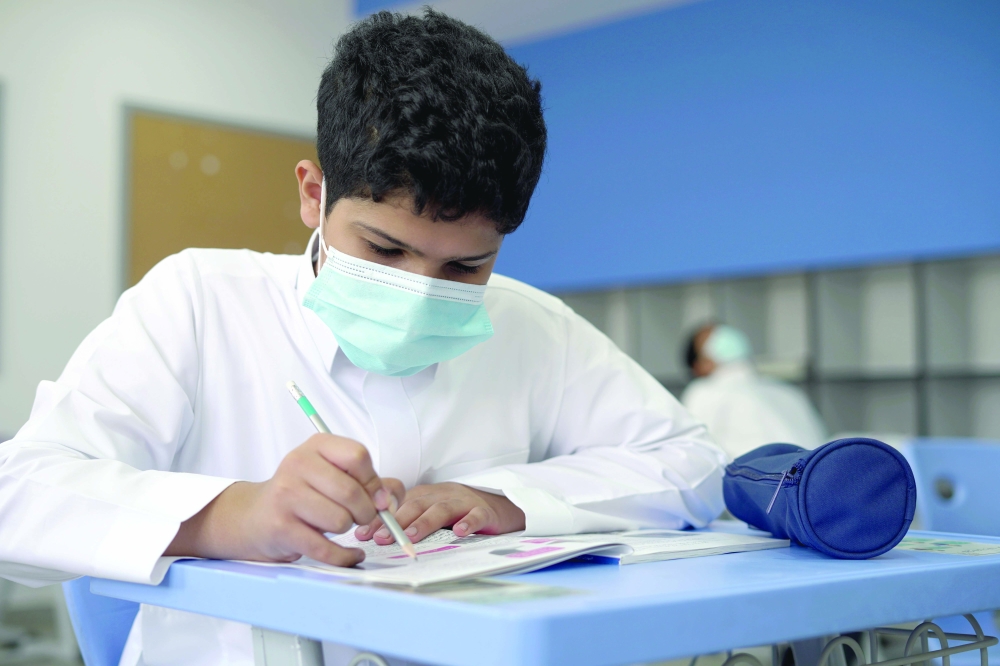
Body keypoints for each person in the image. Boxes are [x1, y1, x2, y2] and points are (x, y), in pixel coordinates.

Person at [0, 10, 726, 666]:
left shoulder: (532, 326)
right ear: (313, 194)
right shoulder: (199, 299)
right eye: (384, 250)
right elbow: (19, 494)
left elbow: (691, 465)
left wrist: (508, 499)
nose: (420, 294)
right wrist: (234, 515)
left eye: (465, 267)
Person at [681, 323, 828, 460]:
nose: (721, 335)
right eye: (710, 338)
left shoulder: (788, 391)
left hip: (795, 474)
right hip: (790, 475)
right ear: (699, 366)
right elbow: (697, 452)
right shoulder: (703, 392)